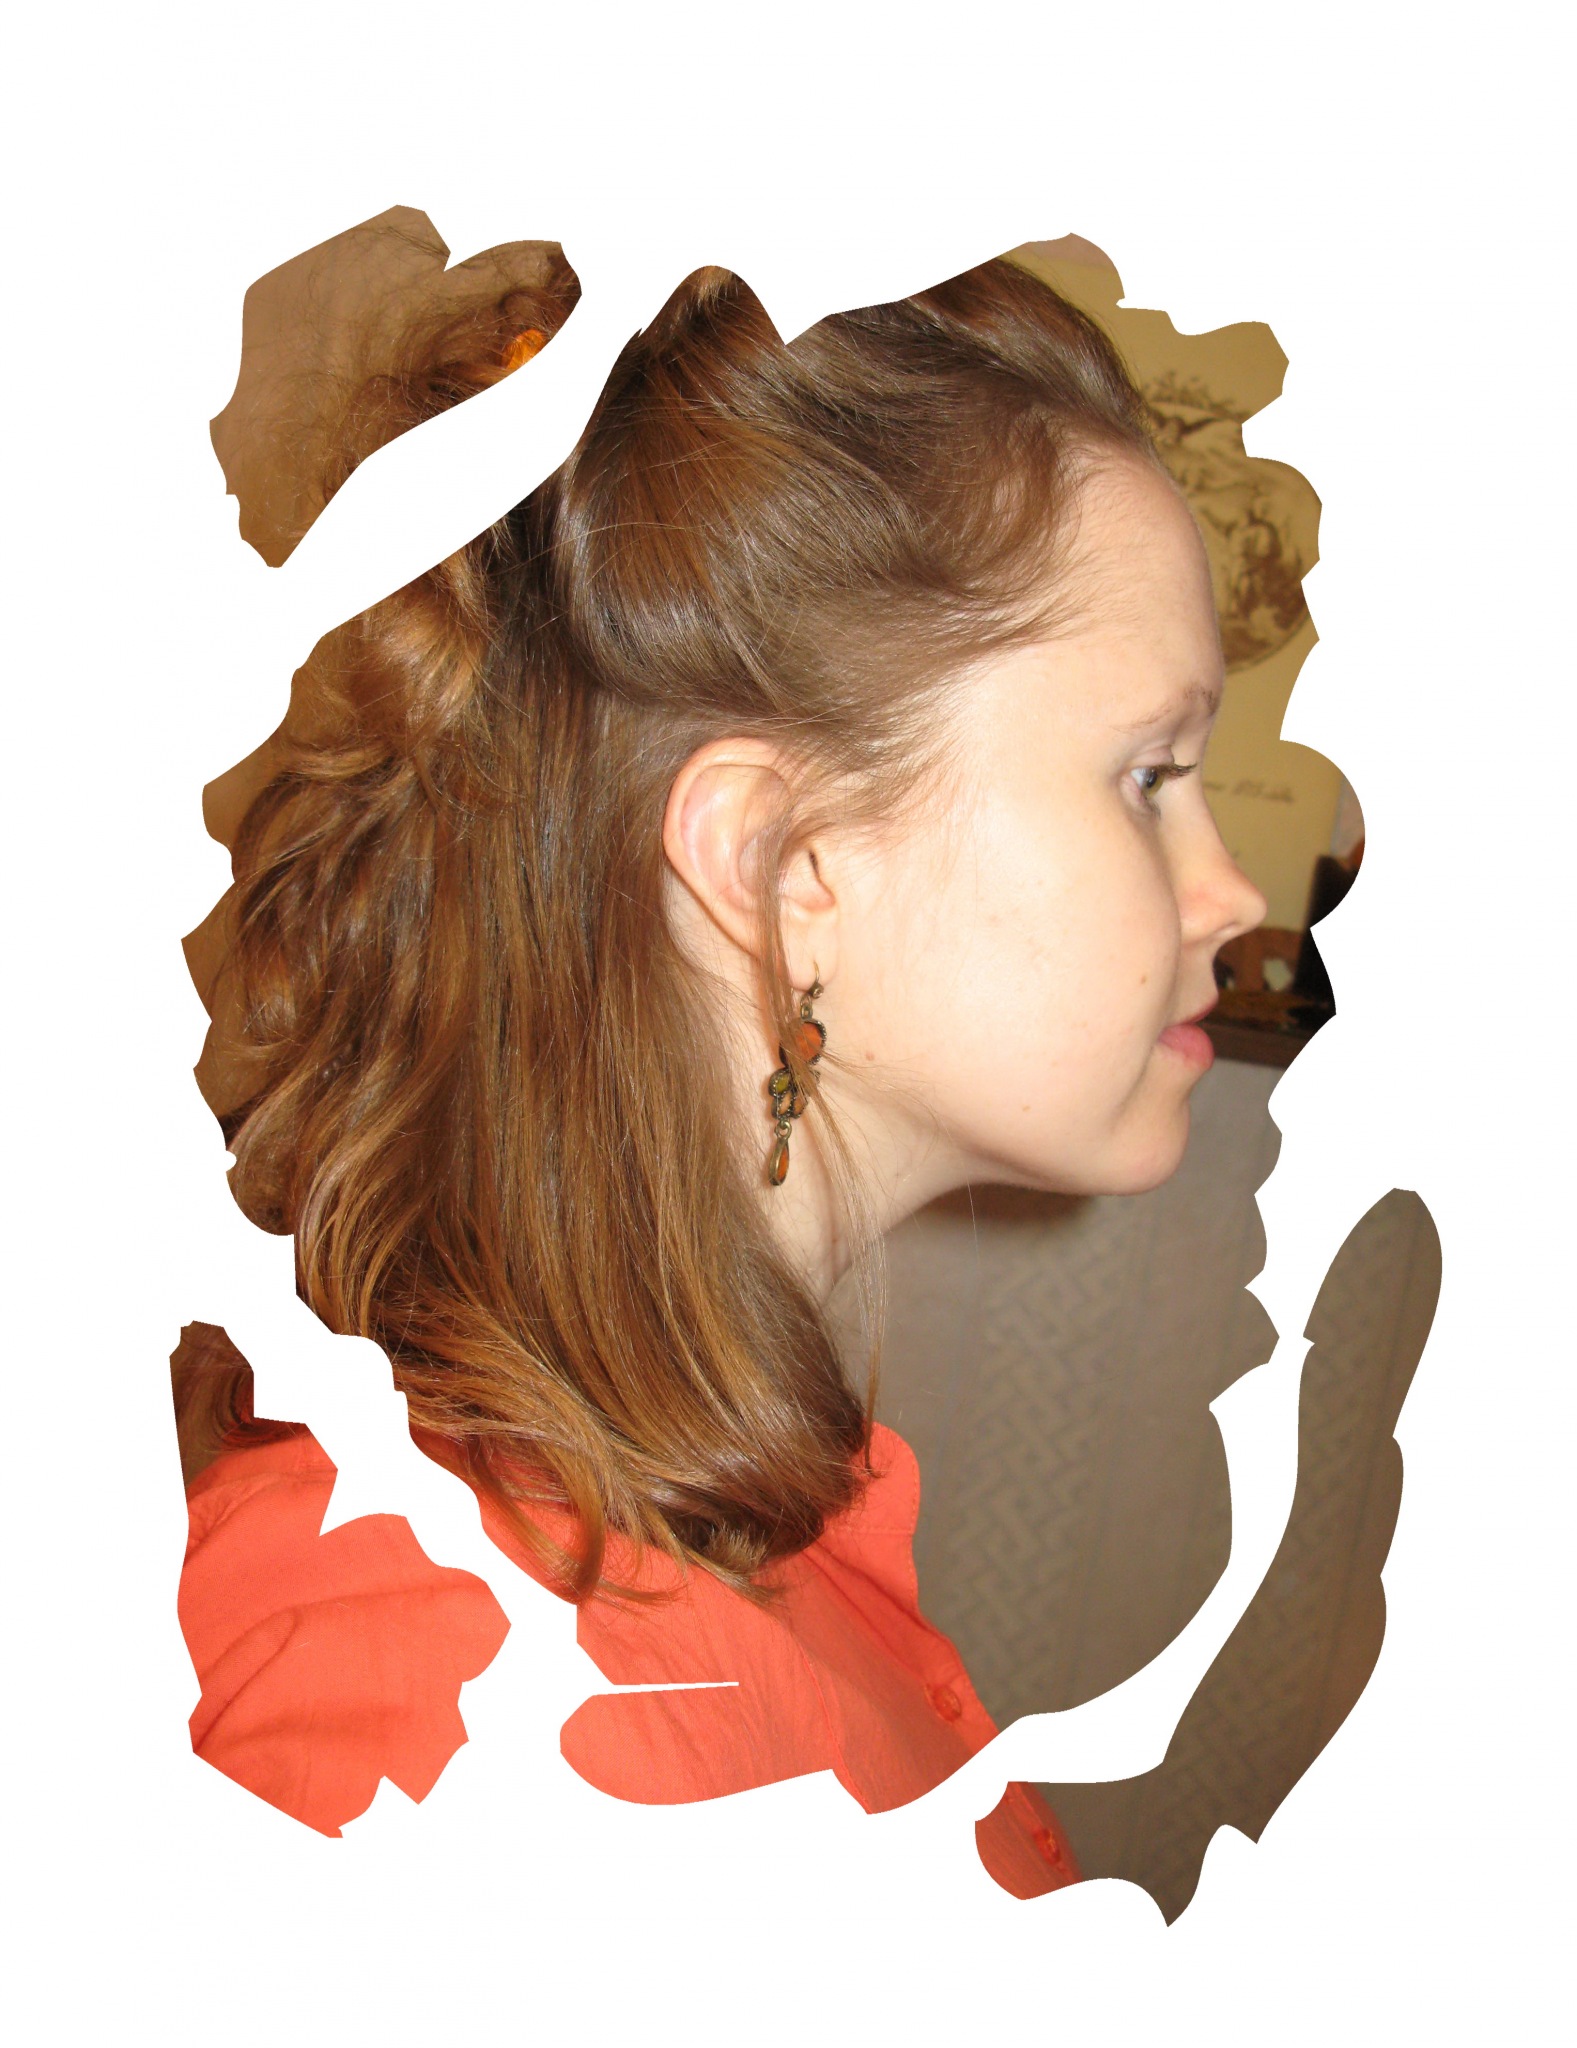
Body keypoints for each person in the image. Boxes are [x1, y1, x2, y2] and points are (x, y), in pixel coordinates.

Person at [176, 249, 1267, 1900]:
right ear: (779, 863)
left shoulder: (757, 1541)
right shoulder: (444, 1678)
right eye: (1147, 774)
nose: (1231, 893)